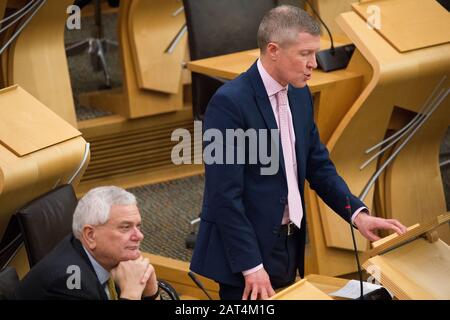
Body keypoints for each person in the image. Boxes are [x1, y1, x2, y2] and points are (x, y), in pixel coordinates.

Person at [190, 5, 407, 300]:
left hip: (289, 243)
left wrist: (357, 215)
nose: (314, 64)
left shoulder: (300, 93)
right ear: (273, 50)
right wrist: (251, 266)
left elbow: (318, 166)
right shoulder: (229, 104)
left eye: (314, 53)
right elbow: (223, 195)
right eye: (305, 54)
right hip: (244, 254)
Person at [15, 186, 160, 300]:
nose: (139, 236)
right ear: (90, 235)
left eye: (138, 226)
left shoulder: (111, 260)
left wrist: (151, 292)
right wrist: (131, 294)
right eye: (125, 227)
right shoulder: (69, 284)